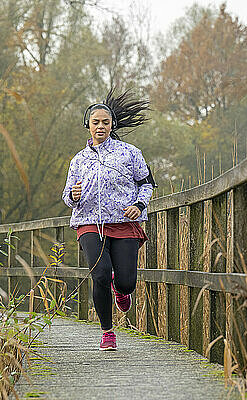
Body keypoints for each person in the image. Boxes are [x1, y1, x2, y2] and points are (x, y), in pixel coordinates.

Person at [62, 89, 156, 351]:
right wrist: (73, 194)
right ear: (88, 126)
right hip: (89, 222)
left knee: (126, 281)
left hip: (123, 222)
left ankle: (120, 290)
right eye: (96, 122)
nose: (100, 126)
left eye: (105, 122)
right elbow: (67, 197)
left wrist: (139, 204)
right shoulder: (79, 160)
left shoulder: (130, 153)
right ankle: (107, 332)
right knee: (100, 274)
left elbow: (147, 184)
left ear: (112, 125)